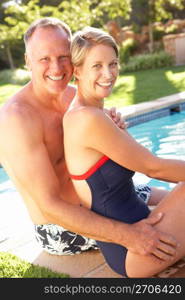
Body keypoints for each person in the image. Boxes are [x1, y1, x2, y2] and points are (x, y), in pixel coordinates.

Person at [0, 18, 178, 262]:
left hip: (108, 199)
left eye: (63, 57)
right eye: (44, 59)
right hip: (62, 226)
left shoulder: (75, 97)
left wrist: (116, 129)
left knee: (177, 200)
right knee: (173, 229)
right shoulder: (16, 120)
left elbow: (115, 152)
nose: (56, 68)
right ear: (28, 61)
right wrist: (128, 236)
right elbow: (49, 205)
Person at [63, 26, 185, 278]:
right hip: (135, 251)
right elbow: (153, 167)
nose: (108, 73)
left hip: (142, 235)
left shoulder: (92, 114)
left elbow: (137, 158)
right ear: (77, 71)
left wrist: (121, 133)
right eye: (97, 65)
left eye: (113, 63)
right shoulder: (87, 118)